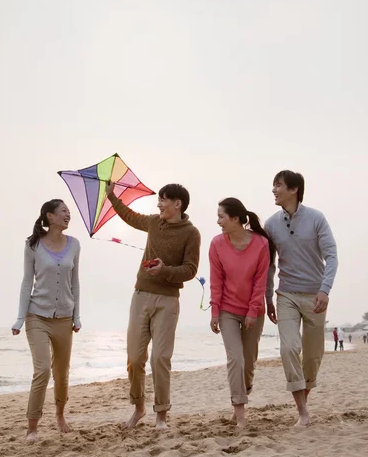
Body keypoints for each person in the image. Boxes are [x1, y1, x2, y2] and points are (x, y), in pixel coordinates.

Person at [106, 182, 200, 430]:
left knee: (160, 358)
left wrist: (165, 270)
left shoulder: (192, 233)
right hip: (140, 296)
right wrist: (111, 196)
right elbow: (128, 216)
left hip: (168, 300)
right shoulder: (152, 223)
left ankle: (161, 416)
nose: (158, 203)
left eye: (163, 199)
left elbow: (190, 270)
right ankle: (139, 408)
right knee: (135, 359)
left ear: (177, 204)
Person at [264, 170, 338, 426]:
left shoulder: (316, 218)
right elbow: (269, 265)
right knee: (289, 348)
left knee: (313, 355)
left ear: (294, 189)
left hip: (316, 295)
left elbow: (332, 255)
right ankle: (303, 412)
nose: (274, 190)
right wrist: (268, 297)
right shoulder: (271, 224)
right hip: (286, 294)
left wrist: (325, 289)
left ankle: (303, 399)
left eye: (278, 185)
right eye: (273, 185)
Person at [12, 200, 81, 443]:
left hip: (64, 318)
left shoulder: (74, 245)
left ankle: (60, 415)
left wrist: (77, 316)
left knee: (61, 375)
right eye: (64, 211)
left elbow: (75, 283)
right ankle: (32, 427)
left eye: (69, 212)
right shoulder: (33, 245)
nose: (68, 215)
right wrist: (20, 318)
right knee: (42, 370)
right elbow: (26, 282)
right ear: (49, 216)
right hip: (36, 315)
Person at [209, 198, 273, 428]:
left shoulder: (261, 244)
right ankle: (241, 414)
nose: (218, 222)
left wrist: (253, 310)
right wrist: (215, 312)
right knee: (235, 359)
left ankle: (242, 394)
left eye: (221, 217)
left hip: (253, 311)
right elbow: (216, 281)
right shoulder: (216, 244)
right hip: (227, 310)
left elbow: (260, 281)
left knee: (248, 363)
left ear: (235, 219)